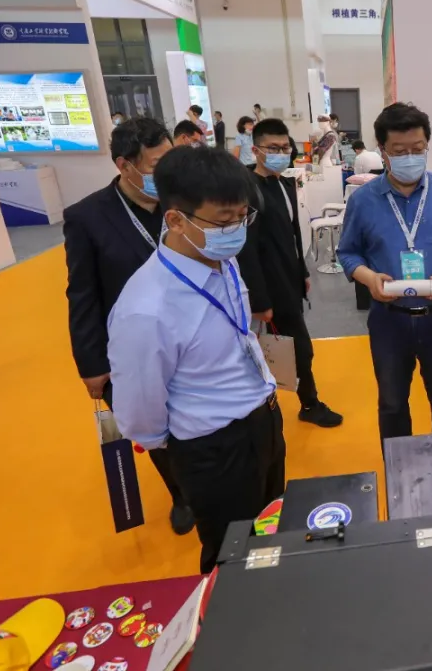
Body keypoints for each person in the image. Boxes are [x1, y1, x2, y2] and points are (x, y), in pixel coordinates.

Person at [108, 145, 284, 574]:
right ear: (175, 220)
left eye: (242, 217)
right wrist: (192, 445)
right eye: (223, 222)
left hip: (264, 420)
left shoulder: (220, 259)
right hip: (214, 449)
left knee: (273, 534)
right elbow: (139, 412)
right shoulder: (146, 309)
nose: (236, 230)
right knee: (230, 557)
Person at [63, 117, 192, 535]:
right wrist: (91, 363)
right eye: (156, 164)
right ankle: (181, 494)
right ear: (125, 165)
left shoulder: (184, 201)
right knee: (155, 426)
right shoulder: (87, 217)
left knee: (195, 417)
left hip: (190, 336)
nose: (166, 172)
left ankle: (204, 483)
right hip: (133, 347)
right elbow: (83, 295)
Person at [336, 103, 432, 443]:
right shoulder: (363, 200)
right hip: (389, 318)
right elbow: (348, 252)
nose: (410, 157)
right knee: (392, 403)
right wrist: (369, 279)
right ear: (383, 151)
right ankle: (399, 465)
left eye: (418, 149)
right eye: (399, 152)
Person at [237, 118, 342, 427]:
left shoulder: (284, 184)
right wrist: (260, 300)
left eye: (285, 148)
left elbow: (295, 233)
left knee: (294, 347)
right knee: (295, 349)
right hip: (269, 286)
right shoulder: (247, 190)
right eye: (273, 148)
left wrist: (303, 272)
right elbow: (247, 251)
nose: (281, 153)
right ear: (256, 150)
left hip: (289, 279)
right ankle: (307, 404)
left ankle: (301, 402)